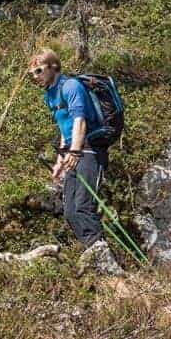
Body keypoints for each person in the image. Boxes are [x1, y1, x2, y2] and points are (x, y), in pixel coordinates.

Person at [29, 48, 122, 275]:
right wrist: (60, 160)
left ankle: (103, 260)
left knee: (83, 206)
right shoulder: (50, 94)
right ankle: (95, 254)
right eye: (32, 73)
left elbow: (80, 122)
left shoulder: (71, 86)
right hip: (74, 150)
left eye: (38, 71)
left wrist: (75, 152)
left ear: (53, 67)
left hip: (89, 149)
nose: (35, 76)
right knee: (70, 211)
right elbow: (66, 127)